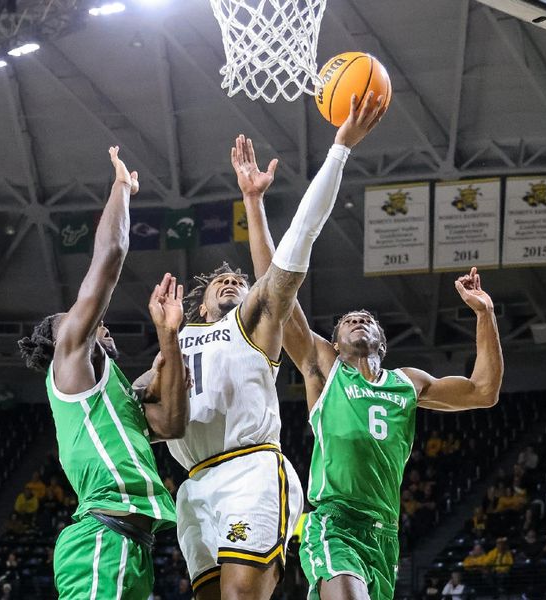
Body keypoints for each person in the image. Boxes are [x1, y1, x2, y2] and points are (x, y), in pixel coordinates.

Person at [239, 135, 503, 599]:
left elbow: (483, 391)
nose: (357, 320)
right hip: (333, 520)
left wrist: (485, 315)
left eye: (366, 319)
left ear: (381, 339)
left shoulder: (408, 383)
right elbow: (276, 291)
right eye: (346, 321)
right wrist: (253, 202)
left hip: (384, 535)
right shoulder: (324, 368)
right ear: (337, 344)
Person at [160, 92, 386, 600]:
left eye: (240, 280)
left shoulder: (252, 323)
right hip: (194, 485)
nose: (232, 282)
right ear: (198, 307)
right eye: (221, 281)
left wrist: (339, 150)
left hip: (250, 469)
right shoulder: (176, 341)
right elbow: (147, 410)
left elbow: (294, 248)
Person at [18, 147, 189, 600]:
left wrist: (168, 338)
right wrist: (121, 190)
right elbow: (111, 253)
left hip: (134, 544)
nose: (97, 323)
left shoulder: (117, 397)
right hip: (99, 537)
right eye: (76, 319)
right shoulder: (70, 363)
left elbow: (172, 423)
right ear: (64, 340)